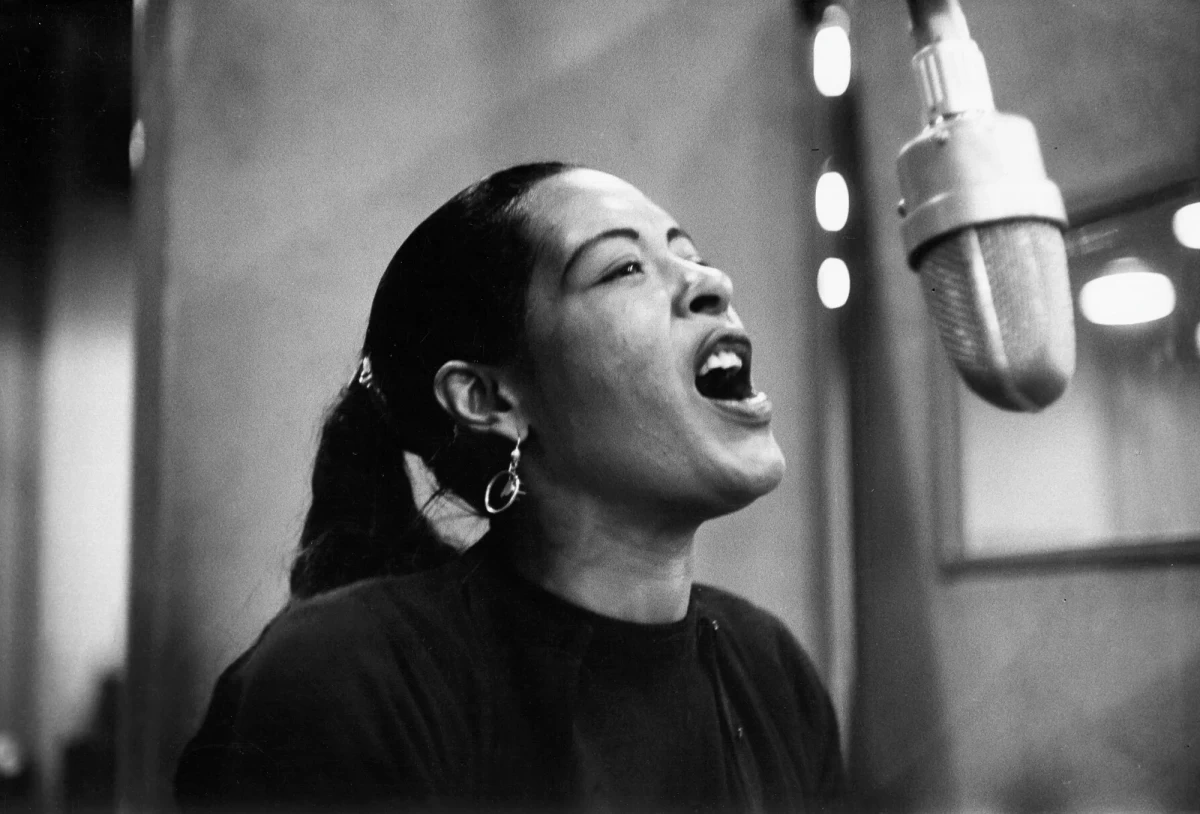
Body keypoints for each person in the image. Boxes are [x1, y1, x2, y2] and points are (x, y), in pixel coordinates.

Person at [175, 162, 848, 812]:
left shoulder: (771, 673)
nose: (712, 282)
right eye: (623, 268)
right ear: (489, 398)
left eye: (691, 255)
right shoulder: (344, 679)